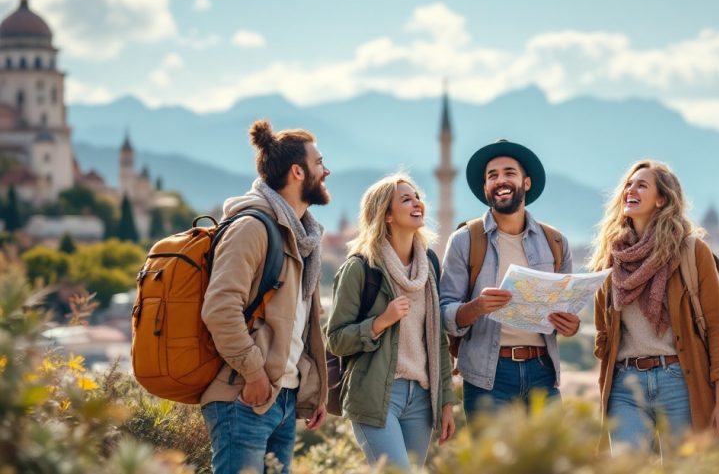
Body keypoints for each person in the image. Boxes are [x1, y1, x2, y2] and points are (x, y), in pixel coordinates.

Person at [200, 120, 329, 474]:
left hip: (282, 398)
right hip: (244, 396)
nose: (327, 170)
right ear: (298, 172)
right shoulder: (251, 228)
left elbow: (300, 324)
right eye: (320, 163)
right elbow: (220, 309)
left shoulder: (303, 238)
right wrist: (255, 374)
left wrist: (310, 388)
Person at [592, 160, 719, 455]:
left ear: (661, 200)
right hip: (626, 384)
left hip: (679, 381)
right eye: (628, 185)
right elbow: (603, 330)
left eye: (641, 185)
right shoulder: (612, 256)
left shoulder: (692, 251)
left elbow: (717, 330)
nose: (630, 189)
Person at [439, 139, 578, 421]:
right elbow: (444, 314)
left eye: (509, 173)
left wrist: (571, 325)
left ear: (526, 183)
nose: (500, 180)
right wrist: (477, 307)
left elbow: (567, 309)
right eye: (492, 176)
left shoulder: (555, 242)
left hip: (543, 373)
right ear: (485, 188)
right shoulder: (465, 241)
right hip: (488, 376)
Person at [325, 173, 456, 471]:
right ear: (386, 215)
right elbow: (335, 340)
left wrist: (446, 401)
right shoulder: (360, 268)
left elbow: (439, 340)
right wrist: (381, 321)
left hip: (422, 399)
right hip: (377, 395)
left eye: (417, 197)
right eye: (406, 199)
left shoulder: (429, 265)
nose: (417, 203)